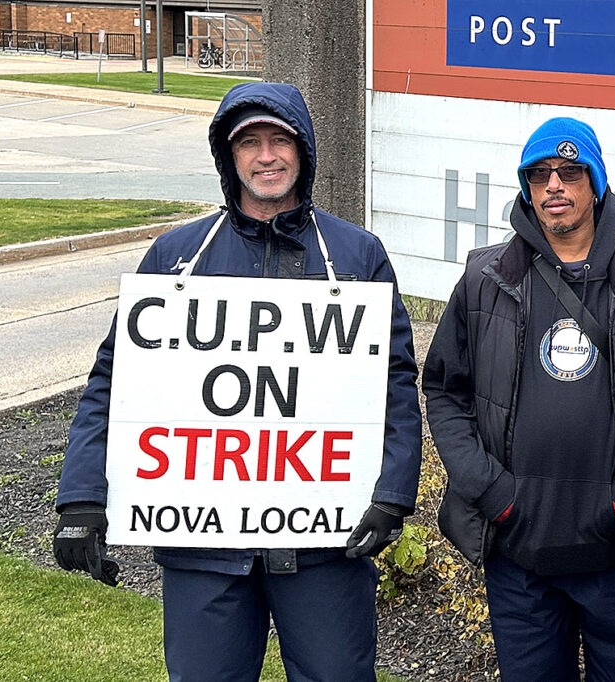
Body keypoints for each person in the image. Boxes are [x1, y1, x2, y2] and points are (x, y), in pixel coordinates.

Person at [52, 82, 422, 681]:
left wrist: (392, 492)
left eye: (280, 140)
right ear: (229, 156)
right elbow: (115, 381)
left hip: (325, 541)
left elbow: (394, 385)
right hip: (204, 547)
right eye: (249, 142)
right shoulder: (178, 256)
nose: (266, 156)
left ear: (303, 151)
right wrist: (81, 497)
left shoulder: (357, 255)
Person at [422, 117, 615, 682]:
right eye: (539, 175)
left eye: (569, 172)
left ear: (597, 183)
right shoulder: (486, 277)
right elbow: (444, 389)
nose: (554, 186)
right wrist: (493, 492)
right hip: (519, 550)